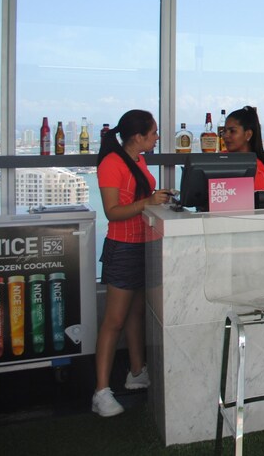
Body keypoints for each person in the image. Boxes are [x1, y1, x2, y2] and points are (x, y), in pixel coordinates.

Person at [92, 110, 172, 417]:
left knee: (137, 313)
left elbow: (138, 198)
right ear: (138, 136)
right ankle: (101, 391)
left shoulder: (139, 159)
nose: (157, 137)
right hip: (123, 247)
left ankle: (137, 372)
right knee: (114, 320)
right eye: (153, 133)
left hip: (144, 243)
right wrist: (147, 202)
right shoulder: (111, 163)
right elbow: (112, 211)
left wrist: (156, 198)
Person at [222, 106, 264, 191]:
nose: (225, 136)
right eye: (224, 131)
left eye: (232, 131)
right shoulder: (217, 161)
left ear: (248, 134)